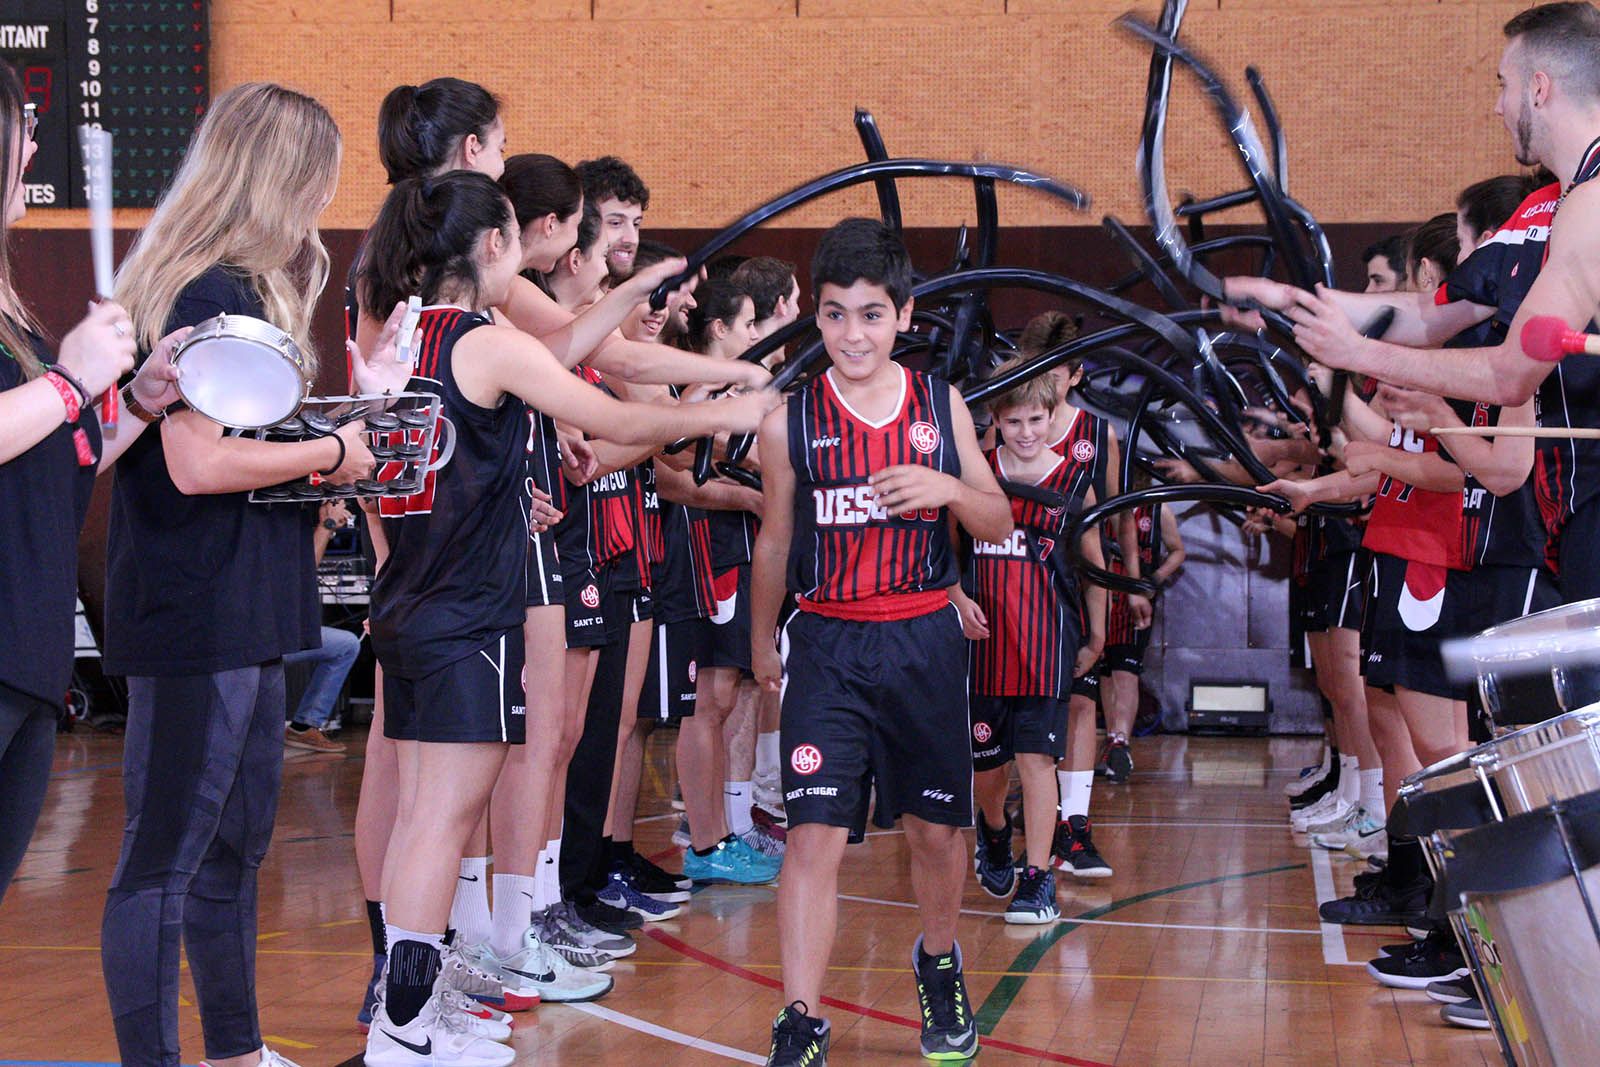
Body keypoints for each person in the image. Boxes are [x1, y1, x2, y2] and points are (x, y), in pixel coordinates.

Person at [356, 170, 774, 1063]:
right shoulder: (485, 341)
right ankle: (404, 1027)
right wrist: (736, 405)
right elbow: (598, 405)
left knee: (424, 816)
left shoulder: (407, 333)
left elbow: (580, 361)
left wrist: (640, 309)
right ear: (495, 249)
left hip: (414, 602)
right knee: (438, 818)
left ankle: (410, 1007)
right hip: (467, 609)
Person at [101, 83, 414, 1067]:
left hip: (250, 600)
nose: (325, 197)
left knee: (232, 850)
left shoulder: (242, 287)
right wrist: (329, 457)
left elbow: (238, 442)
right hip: (196, 603)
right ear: (282, 177)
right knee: (166, 858)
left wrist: (337, 429)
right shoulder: (207, 292)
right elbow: (197, 463)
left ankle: (235, 1050)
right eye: (316, 176)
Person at [751, 218, 1012, 1065]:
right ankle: (799, 1013)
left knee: (934, 834)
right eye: (833, 315)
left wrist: (945, 485)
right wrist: (762, 642)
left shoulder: (942, 406)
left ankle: (939, 961)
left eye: (869, 314)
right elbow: (776, 539)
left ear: (901, 314)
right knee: (812, 834)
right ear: (817, 319)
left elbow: (1000, 516)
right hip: (826, 643)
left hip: (923, 640)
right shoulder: (790, 419)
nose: (851, 333)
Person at [1252, 2, 1600, 603]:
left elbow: (1509, 371)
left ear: (1539, 89)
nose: (1497, 105)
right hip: (1569, 512)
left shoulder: (1590, 205)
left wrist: (1359, 352)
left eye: (1504, 85)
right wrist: (1296, 303)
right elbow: (1435, 313)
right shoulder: (1553, 207)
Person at [0, 60, 187, 904]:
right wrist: (71, 382)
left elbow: (57, 454)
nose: (35, 144)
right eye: (22, 127)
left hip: (27, 652)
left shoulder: (12, 309)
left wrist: (138, 405)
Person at [949, 357, 1105, 924]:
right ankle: (995, 830)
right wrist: (955, 598)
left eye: (1036, 420)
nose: (1026, 432)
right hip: (983, 646)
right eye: (1013, 422)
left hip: (1046, 645)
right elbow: (946, 553)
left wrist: (1099, 634)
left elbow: (1094, 567)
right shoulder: (975, 474)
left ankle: (1038, 878)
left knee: (1037, 760)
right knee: (987, 768)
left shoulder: (1073, 485)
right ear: (996, 420)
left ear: (1051, 416)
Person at [1099, 482, 1185, 782]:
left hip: (1136, 597)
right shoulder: (1102, 501)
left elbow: (1177, 551)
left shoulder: (1158, 508)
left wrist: (1155, 579)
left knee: (1126, 670)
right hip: (1100, 594)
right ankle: (1112, 741)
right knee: (1105, 673)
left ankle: (1121, 740)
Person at [283, 500, 363, 754]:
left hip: (277, 633)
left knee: (346, 645)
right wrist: (326, 526)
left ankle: (304, 726)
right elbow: (302, 577)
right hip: (257, 637)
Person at [575, 156, 647, 284]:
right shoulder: (544, 300)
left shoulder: (632, 302)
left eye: (636, 224)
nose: (632, 239)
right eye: (616, 223)